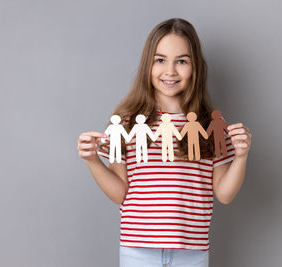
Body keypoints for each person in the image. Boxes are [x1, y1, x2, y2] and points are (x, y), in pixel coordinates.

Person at [77, 18, 252, 267]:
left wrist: (241, 156)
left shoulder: (211, 124)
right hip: (137, 249)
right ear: (147, 65)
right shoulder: (126, 124)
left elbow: (224, 193)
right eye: (160, 60)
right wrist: (93, 161)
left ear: (195, 68)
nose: (170, 71)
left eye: (181, 61)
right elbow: (120, 194)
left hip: (191, 252)